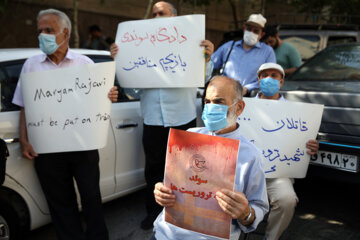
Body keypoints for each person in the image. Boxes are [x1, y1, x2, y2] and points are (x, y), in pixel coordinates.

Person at [12, 9, 118, 240]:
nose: (43, 35)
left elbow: (99, 98)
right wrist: (24, 140)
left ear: (65, 32)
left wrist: (109, 95)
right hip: (47, 149)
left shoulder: (85, 62)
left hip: (83, 146)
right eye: (40, 31)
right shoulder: (31, 65)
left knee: (91, 197)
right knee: (60, 202)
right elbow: (24, 106)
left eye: (49, 30)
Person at [110, 1, 215, 230]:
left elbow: (203, 79)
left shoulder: (190, 42)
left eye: (162, 13)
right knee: (154, 170)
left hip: (182, 116)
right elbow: (132, 90)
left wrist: (207, 56)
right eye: (154, 13)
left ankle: (183, 213)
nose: (157, 16)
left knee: (186, 169)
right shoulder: (141, 47)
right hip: (152, 119)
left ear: (175, 16)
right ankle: (154, 213)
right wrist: (121, 61)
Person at [151, 76, 269, 240]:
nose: (211, 108)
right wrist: (161, 190)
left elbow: (260, 206)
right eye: (207, 102)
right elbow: (174, 184)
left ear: (239, 107)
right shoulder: (188, 137)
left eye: (219, 102)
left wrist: (246, 213)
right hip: (167, 233)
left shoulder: (250, 155)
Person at [255, 63, 319, 240]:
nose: (269, 79)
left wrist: (312, 146)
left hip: (278, 174)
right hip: (246, 172)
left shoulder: (296, 113)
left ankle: (271, 238)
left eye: (274, 76)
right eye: (264, 75)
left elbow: (303, 142)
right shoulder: (243, 106)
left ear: (281, 82)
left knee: (287, 200)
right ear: (258, 79)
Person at [211, 13, 276, 96]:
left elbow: (269, 78)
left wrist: (247, 88)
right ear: (244, 29)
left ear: (261, 35)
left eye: (256, 31)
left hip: (251, 97)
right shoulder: (229, 46)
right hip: (225, 93)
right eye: (249, 29)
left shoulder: (267, 52)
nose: (251, 32)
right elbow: (210, 64)